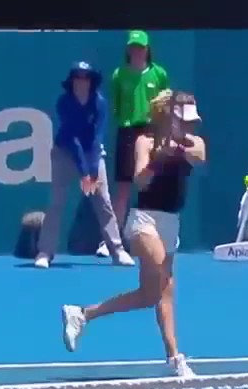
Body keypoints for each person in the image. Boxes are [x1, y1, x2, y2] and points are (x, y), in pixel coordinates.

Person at [61, 91, 204, 379]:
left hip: (171, 225)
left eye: (191, 121)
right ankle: (175, 358)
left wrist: (178, 148)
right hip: (144, 221)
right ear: (166, 116)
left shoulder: (194, 141)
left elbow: (199, 157)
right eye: (183, 120)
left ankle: (82, 314)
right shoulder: (145, 142)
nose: (190, 126)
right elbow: (139, 178)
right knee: (166, 283)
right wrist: (157, 159)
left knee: (149, 295)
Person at [35, 62, 133, 269]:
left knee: (104, 202)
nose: (82, 81)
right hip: (64, 154)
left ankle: (118, 250)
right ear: (72, 81)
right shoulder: (64, 102)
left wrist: (93, 170)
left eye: (86, 77)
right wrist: (84, 174)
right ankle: (45, 252)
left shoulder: (100, 103)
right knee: (56, 203)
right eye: (78, 77)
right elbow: (74, 139)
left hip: (92, 154)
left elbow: (96, 137)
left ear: (92, 81)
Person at [101, 29, 171, 259]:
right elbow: (116, 106)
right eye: (133, 47)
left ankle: (154, 239)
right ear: (128, 49)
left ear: (147, 49)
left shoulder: (159, 74)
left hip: (152, 132)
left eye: (141, 47)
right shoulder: (119, 75)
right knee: (122, 189)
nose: (137, 51)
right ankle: (111, 241)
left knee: (151, 187)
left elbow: (166, 106)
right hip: (127, 131)